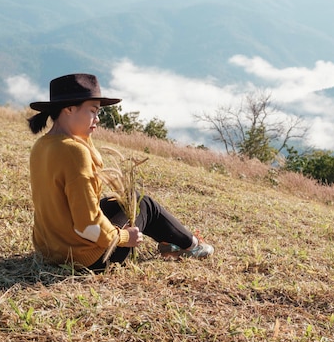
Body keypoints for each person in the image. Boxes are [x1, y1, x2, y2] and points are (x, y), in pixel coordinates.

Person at [27, 73, 214, 271]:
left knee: (124, 200)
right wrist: (125, 237)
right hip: (84, 258)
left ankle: (173, 243)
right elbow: (86, 225)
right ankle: (191, 245)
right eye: (93, 111)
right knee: (143, 204)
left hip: (50, 249)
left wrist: (83, 132)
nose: (97, 119)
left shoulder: (42, 144)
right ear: (69, 109)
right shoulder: (76, 152)